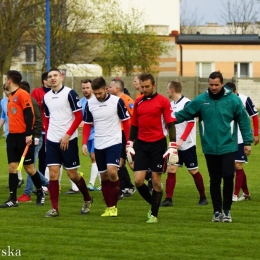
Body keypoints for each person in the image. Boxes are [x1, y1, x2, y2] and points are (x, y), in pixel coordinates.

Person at [175, 71, 253, 223]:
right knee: (215, 179)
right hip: (209, 147)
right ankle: (217, 211)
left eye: (216, 85)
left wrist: (247, 142)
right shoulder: (201, 100)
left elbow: (244, 121)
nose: (214, 87)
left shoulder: (233, 100)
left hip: (229, 146)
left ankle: (227, 210)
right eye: (211, 85)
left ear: (222, 84)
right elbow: (185, 113)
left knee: (229, 176)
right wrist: (167, 119)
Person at [126, 73, 178, 224]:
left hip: (158, 145)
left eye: (147, 87)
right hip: (141, 144)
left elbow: (170, 123)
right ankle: (153, 203)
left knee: (156, 181)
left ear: (154, 85)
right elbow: (134, 124)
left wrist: (172, 144)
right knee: (138, 180)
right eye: (142, 87)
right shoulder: (138, 102)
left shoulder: (163, 101)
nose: (144, 89)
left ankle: (153, 214)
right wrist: (130, 143)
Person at [43, 69, 93, 217]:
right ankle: (55, 208)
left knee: (72, 175)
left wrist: (67, 135)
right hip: (52, 140)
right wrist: (47, 137)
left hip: (68, 140)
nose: (53, 79)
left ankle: (87, 198)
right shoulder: (46, 97)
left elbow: (79, 117)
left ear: (61, 77)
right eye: (50, 77)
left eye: (55, 76)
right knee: (53, 174)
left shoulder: (70, 94)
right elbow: (47, 118)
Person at [82, 76, 130, 217]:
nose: (97, 96)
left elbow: (126, 123)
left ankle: (114, 205)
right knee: (103, 176)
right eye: (95, 93)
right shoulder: (90, 103)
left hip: (114, 141)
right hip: (99, 143)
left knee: (112, 171)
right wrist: (84, 142)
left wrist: (128, 143)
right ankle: (108, 206)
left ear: (106, 89)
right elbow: (87, 125)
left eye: (100, 93)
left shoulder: (117, 101)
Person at [0, 70, 45, 208]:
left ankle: (40, 191)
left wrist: (29, 135)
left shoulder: (22, 94)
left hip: (23, 137)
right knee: (12, 167)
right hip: (12, 137)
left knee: (30, 168)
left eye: (6, 79)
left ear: (9, 81)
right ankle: (13, 199)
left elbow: (29, 115)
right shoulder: (10, 97)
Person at [161, 80, 208, 207]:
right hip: (175, 145)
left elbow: (191, 123)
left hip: (187, 144)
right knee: (172, 169)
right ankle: (168, 199)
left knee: (193, 171)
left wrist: (181, 140)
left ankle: (203, 197)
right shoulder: (171, 105)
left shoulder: (187, 103)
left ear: (172, 90)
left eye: (167, 89)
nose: (166, 91)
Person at [225, 82, 259, 202]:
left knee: (237, 165)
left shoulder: (244, 99)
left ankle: (234, 194)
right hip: (229, 138)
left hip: (242, 138)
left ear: (234, 91)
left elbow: (254, 116)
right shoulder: (225, 100)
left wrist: (255, 134)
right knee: (236, 166)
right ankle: (246, 193)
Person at [17, 81, 49, 203]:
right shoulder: (23, 102)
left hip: (35, 138)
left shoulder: (31, 102)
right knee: (29, 166)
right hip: (27, 137)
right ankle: (48, 183)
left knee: (30, 166)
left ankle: (28, 193)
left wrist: (36, 137)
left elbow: (38, 119)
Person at [108, 78, 136, 197]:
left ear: (117, 89)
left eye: (110, 87)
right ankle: (124, 187)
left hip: (126, 135)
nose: (108, 89)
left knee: (128, 162)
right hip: (117, 135)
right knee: (119, 163)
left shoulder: (126, 99)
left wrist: (132, 137)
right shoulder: (114, 100)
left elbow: (135, 116)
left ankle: (149, 178)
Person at [0, 84, 24, 188]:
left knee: (26, 162)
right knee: (13, 159)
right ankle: (18, 179)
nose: (7, 92)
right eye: (5, 90)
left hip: (20, 133)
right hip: (9, 134)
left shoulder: (19, 98)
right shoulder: (3, 101)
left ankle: (41, 183)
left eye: (8, 90)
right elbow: (3, 116)